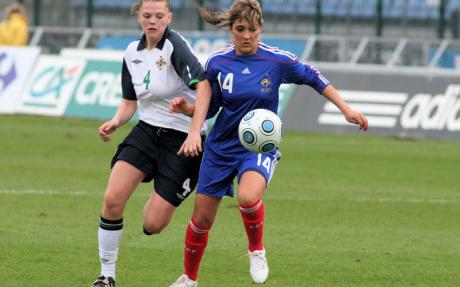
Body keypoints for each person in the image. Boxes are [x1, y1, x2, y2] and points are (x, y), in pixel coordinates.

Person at [167, 0, 368, 286]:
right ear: (231, 30)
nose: (246, 35)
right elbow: (212, 107)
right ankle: (189, 278)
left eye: (252, 29)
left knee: (247, 197)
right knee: (201, 219)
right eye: (240, 29)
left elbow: (314, 77)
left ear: (260, 29)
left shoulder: (277, 60)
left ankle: (256, 249)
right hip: (220, 147)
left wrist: (347, 110)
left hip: (257, 148)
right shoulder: (217, 62)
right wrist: (187, 110)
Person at [89, 0, 211, 286]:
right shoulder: (132, 52)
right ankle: (106, 275)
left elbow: (204, 86)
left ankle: (161, 188)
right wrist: (116, 121)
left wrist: (195, 131)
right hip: (146, 132)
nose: (152, 21)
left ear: (169, 17)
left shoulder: (175, 47)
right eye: (147, 16)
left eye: (159, 16)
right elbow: (130, 102)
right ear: (138, 17)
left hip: (183, 141)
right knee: (112, 198)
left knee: (153, 224)